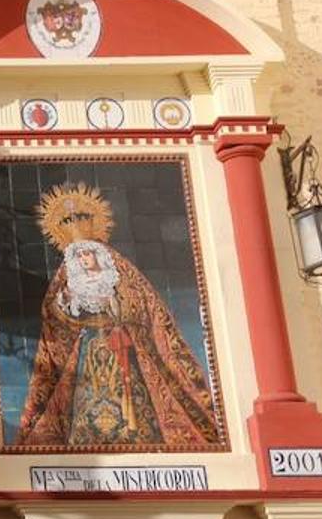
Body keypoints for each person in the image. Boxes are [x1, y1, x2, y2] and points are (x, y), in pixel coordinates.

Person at [16, 183, 221, 448]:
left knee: (133, 397)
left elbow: (143, 304)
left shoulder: (118, 269)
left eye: (88, 253)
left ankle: (139, 435)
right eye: (79, 255)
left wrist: (115, 305)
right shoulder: (67, 276)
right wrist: (65, 304)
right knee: (83, 396)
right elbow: (54, 319)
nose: (85, 258)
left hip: (123, 346)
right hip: (88, 347)